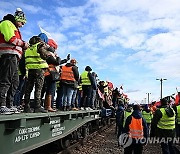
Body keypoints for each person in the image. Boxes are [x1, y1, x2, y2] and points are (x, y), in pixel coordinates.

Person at [0, 8, 29, 114]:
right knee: (6, 80)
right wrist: (23, 44)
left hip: (14, 57)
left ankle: (9, 104)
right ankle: (2, 105)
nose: (22, 25)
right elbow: (9, 38)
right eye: (22, 22)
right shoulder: (6, 23)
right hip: (8, 55)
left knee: (15, 82)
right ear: (18, 18)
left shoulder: (14, 27)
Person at [24, 35, 56, 113]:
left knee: (28, 89)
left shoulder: (28, 49)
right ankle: (37, 106)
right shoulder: (39, 46)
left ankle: (26, 106)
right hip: (39, 69)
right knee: (38, 88)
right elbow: (44, 55)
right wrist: (50, 54)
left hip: (30, 69)